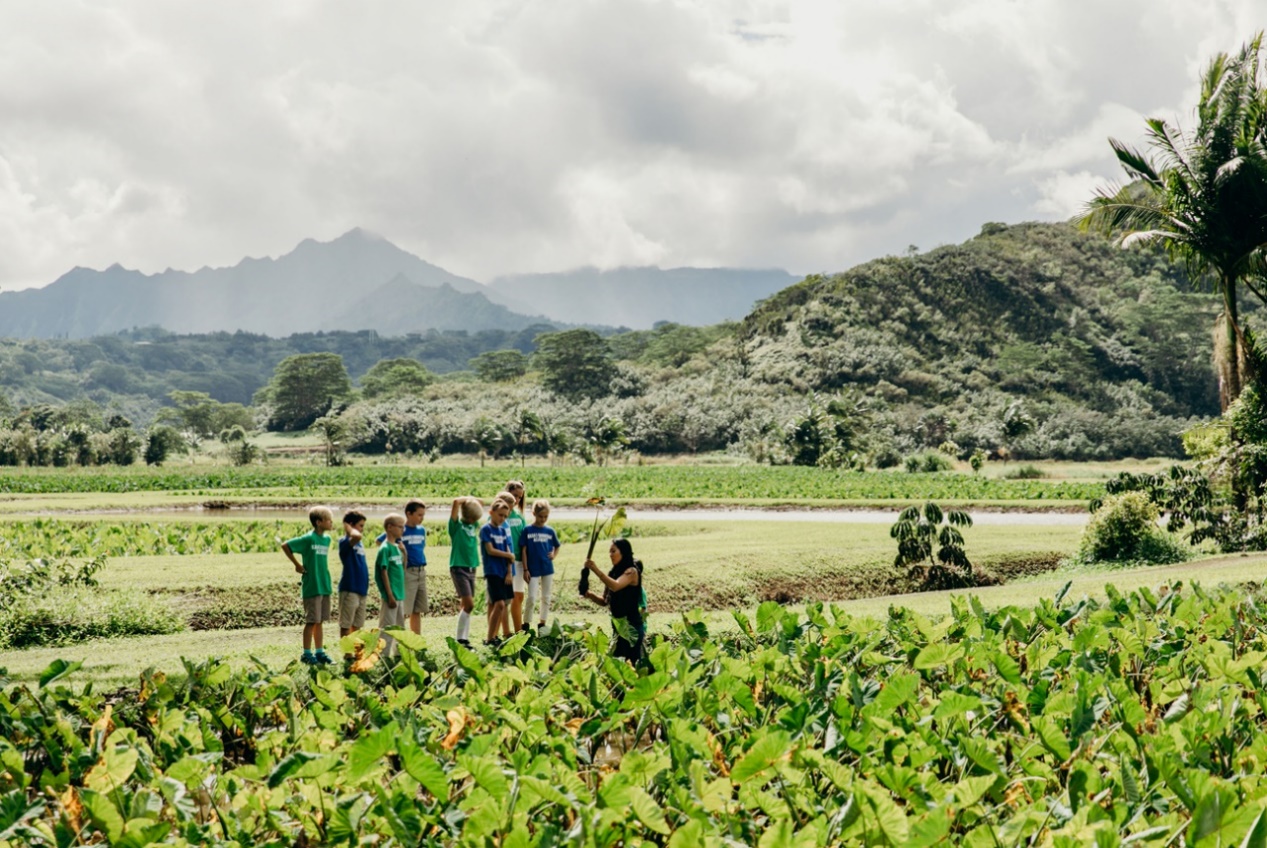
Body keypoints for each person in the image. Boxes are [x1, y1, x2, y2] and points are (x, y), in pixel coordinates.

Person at [281, 506, 335, 666]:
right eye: (329, 520)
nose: (332, 523)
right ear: (319, 522)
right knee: (311, 621)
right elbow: (286, 546)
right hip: (312, 586)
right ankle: (306, 653)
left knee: (320, 621)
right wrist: (297, 565)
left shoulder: (327, 540)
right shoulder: (308, 539)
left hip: (324, 585)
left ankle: (319, 652)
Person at [582, 537, 645, 664]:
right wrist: (590, 595)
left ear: (623, 552)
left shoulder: (632, 572)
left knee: (631, 664)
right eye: (609, 552)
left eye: (613, 551)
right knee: (619, 663)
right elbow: (605, 601)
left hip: (630, 625)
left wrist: (595, 569)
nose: (610, 555)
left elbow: (615, 586)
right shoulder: (613, 573)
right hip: (618, 626)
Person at [377, 500, 428, 634]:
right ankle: (398, 638)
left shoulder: (422, 530)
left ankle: (416, 640)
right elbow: (380, 541)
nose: (422, 518)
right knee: (404, 609)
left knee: (417, 609)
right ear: (408, 514)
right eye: (419, 515)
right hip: (406, 571)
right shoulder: (400, 528)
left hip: (421, 571)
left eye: (423, 515)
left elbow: (421, 548)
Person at [480, 498, 516, 646]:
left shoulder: (502, 531)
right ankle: (489, 638)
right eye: (500, 515)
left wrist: (509, 572)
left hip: (503, 572)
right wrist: (508, 556)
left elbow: (508, 552)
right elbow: (490, 550)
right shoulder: (486, 529)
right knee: (499, 604)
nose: (502, 518)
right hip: (492, 571)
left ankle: (494, 637)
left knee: (503, 604)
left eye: (505, 516)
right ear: (491, 512)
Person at [448, 497, 483, 648]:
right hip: (459, 568)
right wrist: (464, 502)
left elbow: (480, 502)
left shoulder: (473, 524)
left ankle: (465, 639)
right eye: (471, 518)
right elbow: (456, 502)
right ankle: (460, 639)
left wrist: (472, 502)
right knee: (469, 605)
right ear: (466, 516)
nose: (473, 521)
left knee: (466, 606)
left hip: (471, 568)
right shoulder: (456, 526)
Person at [521, 498, 560, 632]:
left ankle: (542, 623)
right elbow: (524, 550)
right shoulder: (527, 530)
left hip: (547, 569)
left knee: (546, 597)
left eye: (545, 517)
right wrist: (525, 569)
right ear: (534, 514)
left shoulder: (550, 531)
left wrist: (553, 555)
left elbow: (557, 546)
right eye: (540, 516)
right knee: (532, 597)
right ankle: (526, 623)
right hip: (532, 569)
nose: (543, 519)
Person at [375, 513, 407, 657]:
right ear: (389, 527)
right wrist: (389, 595)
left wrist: (404, 553)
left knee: (400, 627)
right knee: (387, 627)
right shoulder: (385, 549)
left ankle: (399, 654)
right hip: (391, 595)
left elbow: (402, 569)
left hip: (400, 594)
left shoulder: (396, 547)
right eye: (400, 527)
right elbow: (383, 572)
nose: (403, 530)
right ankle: (384, 656)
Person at [337, 510, 369, 637]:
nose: (362, 530)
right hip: (350, 588)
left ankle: (356, 651)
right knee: (346, 624)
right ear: (350, 525)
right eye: (360, 525)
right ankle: (348, 653)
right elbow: (356, 536)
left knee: (357, 624)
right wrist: (347, 527)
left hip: (361, 589)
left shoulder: (359, 544)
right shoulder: (345, 542)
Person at [503, 481, 528, 632]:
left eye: (520, 497)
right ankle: (506, 633)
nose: (517, 500)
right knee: (505, 599)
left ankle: (518, 633)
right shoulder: (500, 513)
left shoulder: (520, 516)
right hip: (504, 562)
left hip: (519, 561)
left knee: (518, 597)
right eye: (515, 496)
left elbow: (525, 539)